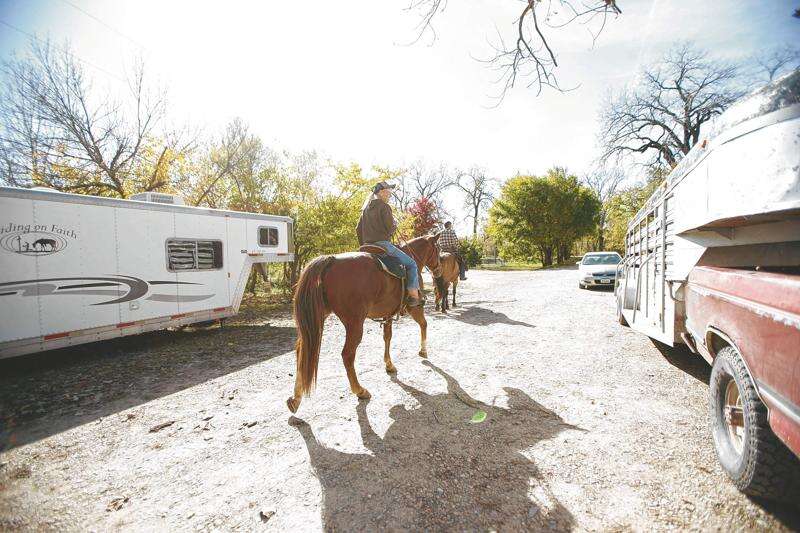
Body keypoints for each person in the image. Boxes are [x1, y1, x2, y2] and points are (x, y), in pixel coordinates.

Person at [357, 181, 423, 307]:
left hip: (366, 246)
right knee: (412, 264)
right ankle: (414, 297)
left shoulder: (365, 209)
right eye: (388, 191)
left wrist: (363, 244)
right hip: (383, 245)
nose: (390, 194)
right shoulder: (384, 206)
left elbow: (357, 229)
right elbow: (389, 228)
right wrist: (394, 226)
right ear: (381, 192)